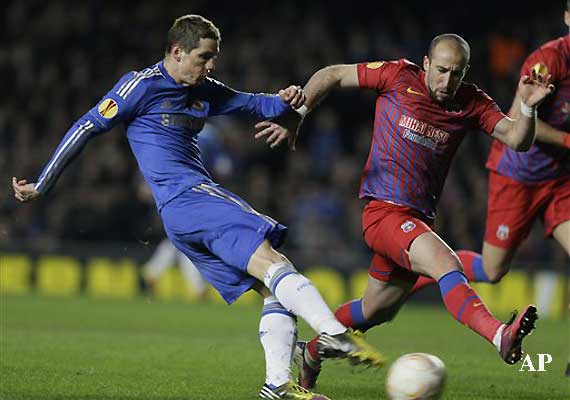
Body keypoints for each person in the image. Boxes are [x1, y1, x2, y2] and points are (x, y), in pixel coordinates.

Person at [12, 14, 384, 400]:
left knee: (272, 284)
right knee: (274, 263)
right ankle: (334, 333)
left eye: (213, 58)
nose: (211, 66)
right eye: (204, 57)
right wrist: (43, 182)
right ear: (177, 51)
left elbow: (254, 104)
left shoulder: (205, 90)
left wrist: (289, 99)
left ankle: (277, 385)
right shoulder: (141, 85)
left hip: (183, 214)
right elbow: (87, 126)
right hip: (189, 197)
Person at [255, 33, 553, 389]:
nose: (447, 81)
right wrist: (299, 114)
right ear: (426, 63)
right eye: (441, 70)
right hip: (383, 213)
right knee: (447, 264)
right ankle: (499, 334)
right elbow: (332, 74)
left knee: (375, 309)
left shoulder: (471, 102)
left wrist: (528, 107)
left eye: (456, 73)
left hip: (417, 220)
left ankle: (312, 352)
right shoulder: (397, 76)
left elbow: (517, 139)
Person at [409, 2, 570, 376]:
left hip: (561, 180)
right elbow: (516, 121)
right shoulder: (548, 61)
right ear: (567, 17)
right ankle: (430, 269)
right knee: (493, 269)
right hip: (518, 175)